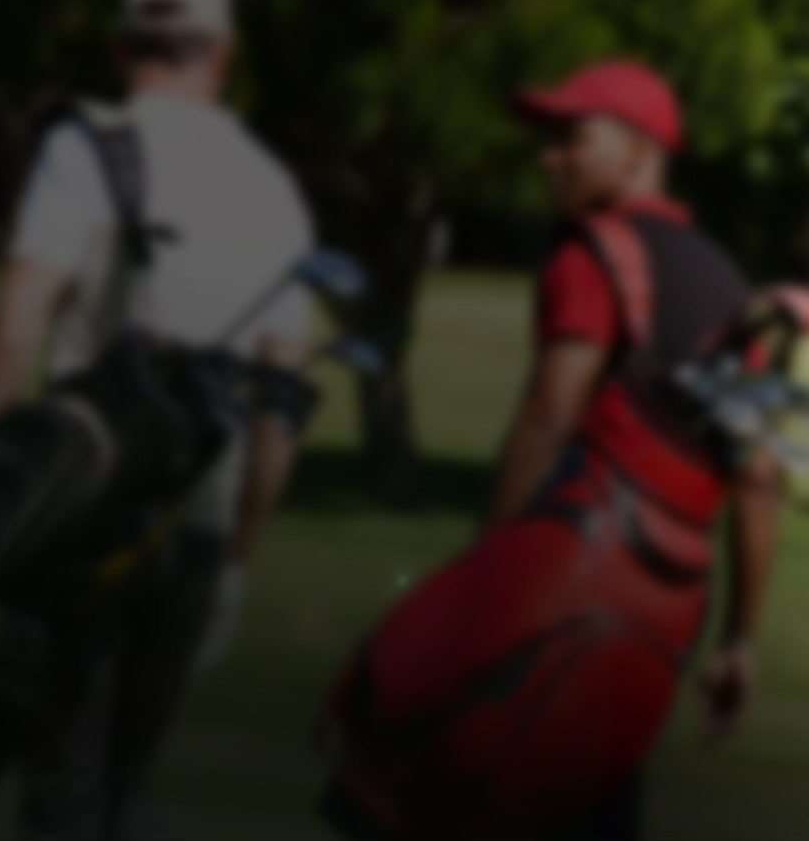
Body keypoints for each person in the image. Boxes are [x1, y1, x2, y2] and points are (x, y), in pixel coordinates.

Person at [316, 59, 784, 841]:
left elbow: (549, 415)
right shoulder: (735, 289)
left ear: (637, 152)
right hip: (660, 622)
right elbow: (760, 481)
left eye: (573, 136)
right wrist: (741, 640)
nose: (550, 156)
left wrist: (482, 586)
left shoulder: (592, 250)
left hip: (560, 587)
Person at [0, 0, 314, 836]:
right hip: (195, 526)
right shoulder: (274, 187)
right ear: (222, 57)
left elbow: (11, 334)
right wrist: (237, 558)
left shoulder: (84, 148)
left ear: (119, 49)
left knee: (65, 791)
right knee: (128, 788)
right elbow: (282, 401)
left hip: (78, 514)